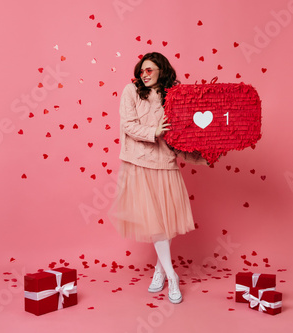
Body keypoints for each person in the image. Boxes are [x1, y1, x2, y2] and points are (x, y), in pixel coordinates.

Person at [108, 52, 207, 304]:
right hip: (139, 163)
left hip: (166, 162)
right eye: (142, 70)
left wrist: (205, 155)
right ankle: (172, 275)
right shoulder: (130, 91)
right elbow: (128, 125)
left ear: (162, 70)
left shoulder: (175, 95)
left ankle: (159, 269)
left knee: (166, 219)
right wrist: (154, 130)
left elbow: (183, 134)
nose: (145, 74)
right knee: (155, 222)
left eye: (150, 70)